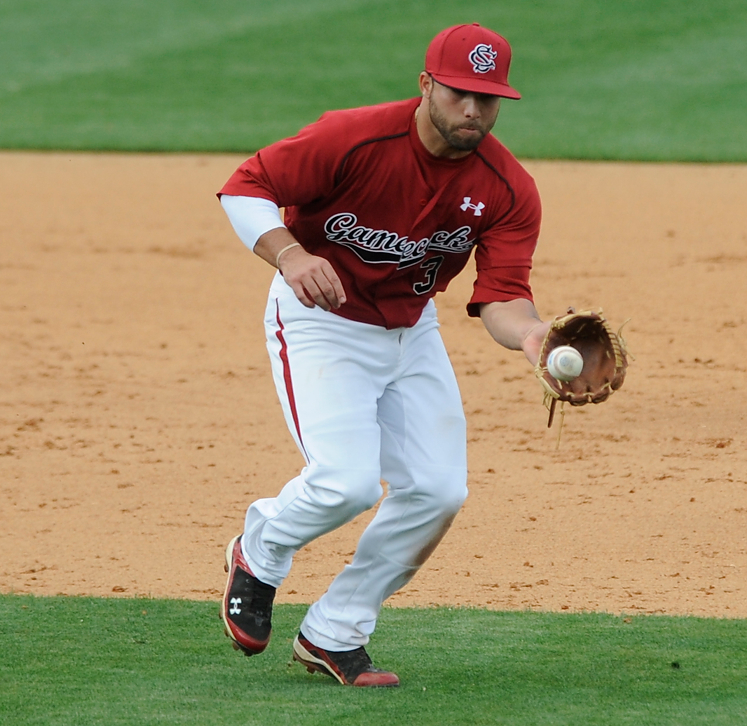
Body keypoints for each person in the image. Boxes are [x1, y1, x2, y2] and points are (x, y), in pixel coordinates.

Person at [217, 23, 548, 688]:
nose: (474, 111)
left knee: (438, 490)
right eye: (460, 94)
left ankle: (336, 632)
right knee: (347, 482)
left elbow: (505, 298)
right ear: (426, 85)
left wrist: (536, 338)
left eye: (489, 100)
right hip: (321, 324)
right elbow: (246, 185)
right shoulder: (354, 137)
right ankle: (262, 549)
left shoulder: (507, 187)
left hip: (410, 331)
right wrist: (291, 253)